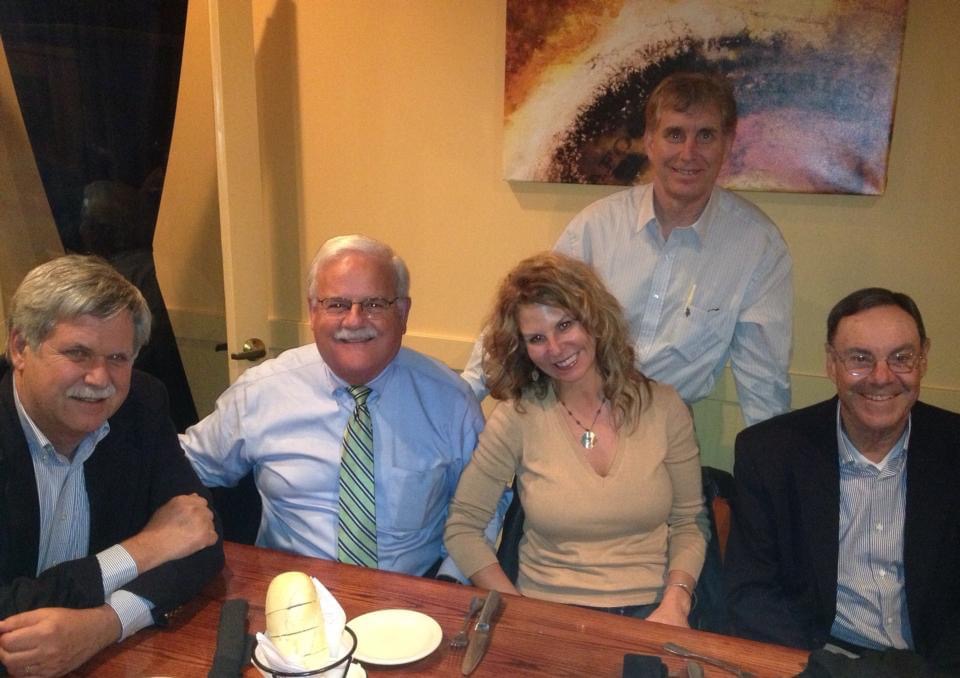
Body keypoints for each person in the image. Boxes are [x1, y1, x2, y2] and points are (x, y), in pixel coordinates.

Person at [463, 71, 792, 427]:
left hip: (662, 435)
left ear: (728, 144)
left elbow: (764, 382)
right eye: (675, 134)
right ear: (650, 141)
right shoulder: (596, 227)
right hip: (567, 421)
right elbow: (525, 309)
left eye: (706, 136)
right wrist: (461, 397)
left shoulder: (758, 247)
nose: (688, 153)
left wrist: (773, 471)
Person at [181, 235, 491, 581]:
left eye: (374, 304)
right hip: (290, 599)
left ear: (402, 313)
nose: (355, 321)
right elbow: (186, 464)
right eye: (337, 305)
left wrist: (449, 585)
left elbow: (484, 508)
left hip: (410, 603)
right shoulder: (260, 393)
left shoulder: (450, 402)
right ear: (313, 312)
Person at [445, 252, 706, 626]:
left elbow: (689, 521)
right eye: (537, 338)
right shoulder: (517, 418)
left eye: (565, 325)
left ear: (595, 320)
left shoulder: (665, 408)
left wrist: (676, 602)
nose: (555, 348)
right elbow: (463, 526)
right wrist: (513, 607)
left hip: (652, 612)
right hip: (546, 613)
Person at [0, 255, 223, 677]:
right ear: (20, 348)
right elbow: (8, 615)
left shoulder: (140, 404)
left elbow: (200, 538)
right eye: (78, 353)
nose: (100, 378)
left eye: (118, 358)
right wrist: (143, 550)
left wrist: (106, 624)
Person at [725, 288, 960, 673]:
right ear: (831, 364)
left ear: (924, 359)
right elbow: (751, 593)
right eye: (859, 359)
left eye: (901, 358)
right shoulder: (769, 453)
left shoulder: (953, 449)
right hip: (819, 660)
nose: (882, 377)